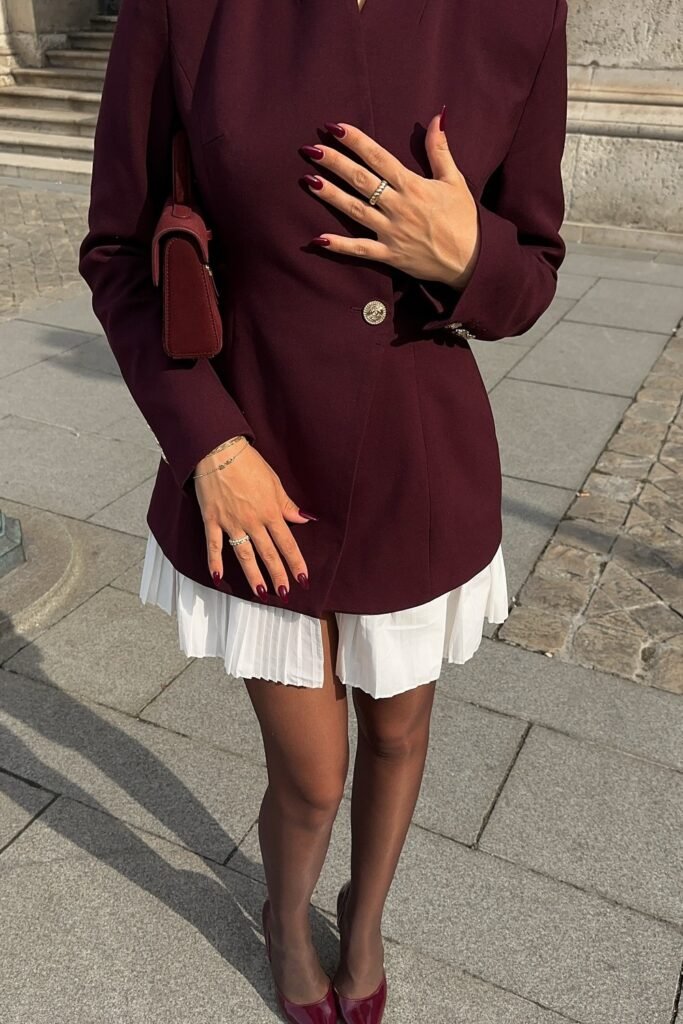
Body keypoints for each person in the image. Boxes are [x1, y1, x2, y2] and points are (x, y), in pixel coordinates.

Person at [78, 0, 568, 1020]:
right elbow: (118, 253)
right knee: (308, 775)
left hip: (416, 472)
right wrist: (204, 438)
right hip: (256, 473)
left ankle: (368, 909)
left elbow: (531, 271)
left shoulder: (520, 11)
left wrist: (467, 251)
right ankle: (285, 912)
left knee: (398, 736)